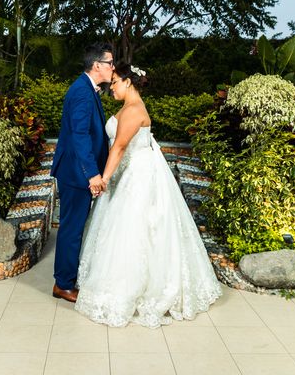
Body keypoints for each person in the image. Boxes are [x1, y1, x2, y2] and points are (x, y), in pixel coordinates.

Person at [74, 63, 222, 328]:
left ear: (129, 82)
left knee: (134, 229)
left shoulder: (133, 111)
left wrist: (103, 179)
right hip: (129, 171)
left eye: (116, 82)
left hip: (137, 175)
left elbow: (119, 148)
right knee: (123, 228)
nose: (112, 87)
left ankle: (134, 286)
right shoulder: (127, 108)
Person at [50, 43, 114, 303]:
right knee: (71, 228)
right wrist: (92, 174)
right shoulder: (82, 93)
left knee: (74, 227)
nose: (113, 67)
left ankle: (66, 278)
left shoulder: (87, 89)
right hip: (76, 173)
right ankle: (63, 284)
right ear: (97, 65)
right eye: (110, 63)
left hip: (78, 171)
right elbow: (79, 136)